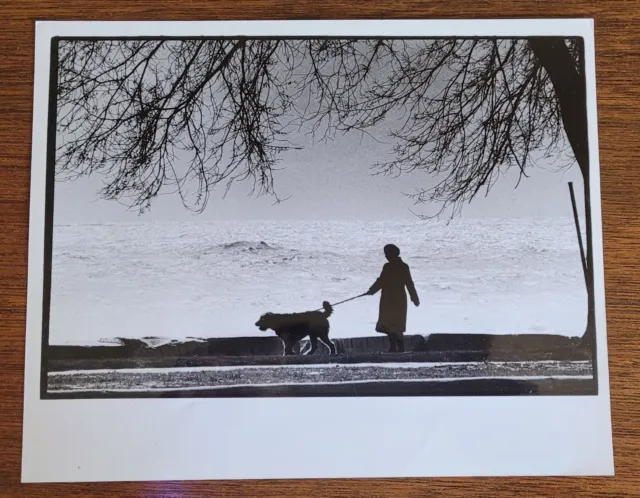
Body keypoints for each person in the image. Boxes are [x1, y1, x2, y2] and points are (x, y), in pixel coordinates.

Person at [366, 244, 419, 353]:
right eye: (386, 254)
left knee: (394, 324)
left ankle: (397, 347)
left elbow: (408, 283)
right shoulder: (394, 266)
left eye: (388, 254)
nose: (386, 256)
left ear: (393, 254)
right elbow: (381, 281)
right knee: (392, 324)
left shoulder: (397, 267)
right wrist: (372, 290)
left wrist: (414, 297)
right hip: (392, 299)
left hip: (393, 299)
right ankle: (395, 347)